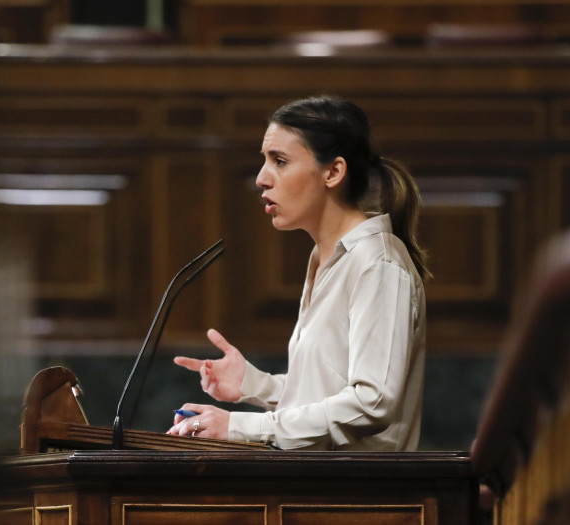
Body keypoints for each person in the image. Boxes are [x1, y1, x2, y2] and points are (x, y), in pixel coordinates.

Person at [166, 96, 430, 451]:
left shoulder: (377, 264)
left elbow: (373, 403)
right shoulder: (326, 259)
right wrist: (255, 385)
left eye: (280, 161)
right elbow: (329, 395)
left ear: (333, 172)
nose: (261, 178)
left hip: (360, 501)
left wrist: (240, 426)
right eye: (265, 161)